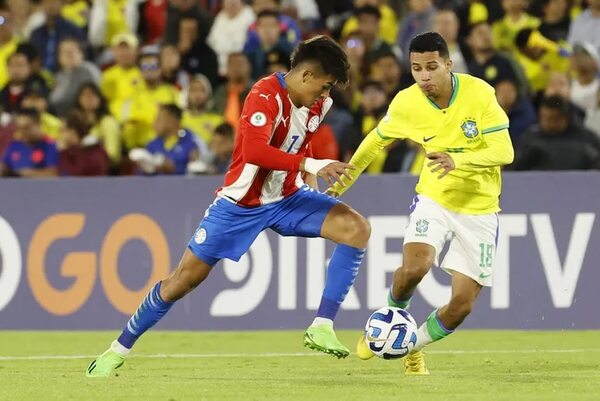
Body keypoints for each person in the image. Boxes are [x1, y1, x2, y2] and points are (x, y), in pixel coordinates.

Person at [86, 35, 371, 378]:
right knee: (183, 281)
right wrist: (312, 167)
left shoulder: (317, 105)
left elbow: (299, 145)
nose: (326, 97)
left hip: (289, 197)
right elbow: (254, 152)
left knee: (357, 229)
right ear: (307, 75)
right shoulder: (264, 95)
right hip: (240, 205)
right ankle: (116, 350)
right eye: (324, 87)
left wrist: (312, 185)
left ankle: (322, 325)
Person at [329, 32, 514, 375]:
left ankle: (409, 345)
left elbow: (505, 151)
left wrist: (459, 161)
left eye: (432, 67)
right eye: (416, 69)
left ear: (448, 64)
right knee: (414, 269)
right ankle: (389, 318)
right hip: (434, 197)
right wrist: (346, 180)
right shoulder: (406, 103)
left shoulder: (479, 93)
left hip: (481, 209)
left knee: (462, 305)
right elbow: (376, 140)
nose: (424, 76)